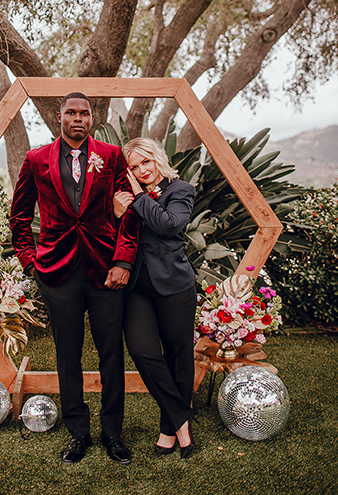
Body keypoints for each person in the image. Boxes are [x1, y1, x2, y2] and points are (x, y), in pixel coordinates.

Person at [9, 93, 138, 464]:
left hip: (105, 271)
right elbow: (19, 217)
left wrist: (124, 262)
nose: (77, 118)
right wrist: (30, 261)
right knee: (68, 354)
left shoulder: (112, 157)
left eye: (84, 113)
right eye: (71, 113)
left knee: (111, 353)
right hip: (56, 273)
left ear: (93, 117)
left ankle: (113, 433)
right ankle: (78, 432)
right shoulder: (36, 160)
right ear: (59, 116)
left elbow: (129, 213)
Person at [113, 137, 197, 459]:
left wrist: (137, 196)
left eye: (145, 162)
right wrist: (118, 211)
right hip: (136, 287)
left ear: (157, 158)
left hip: (174, 285)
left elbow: (169, 225)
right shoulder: (127, 196)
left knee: (178, 354)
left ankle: (169, 428)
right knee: (142, 350)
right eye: (133, 166)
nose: (141, 170)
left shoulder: (181, 190)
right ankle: (182, 417)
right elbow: (110, 233)